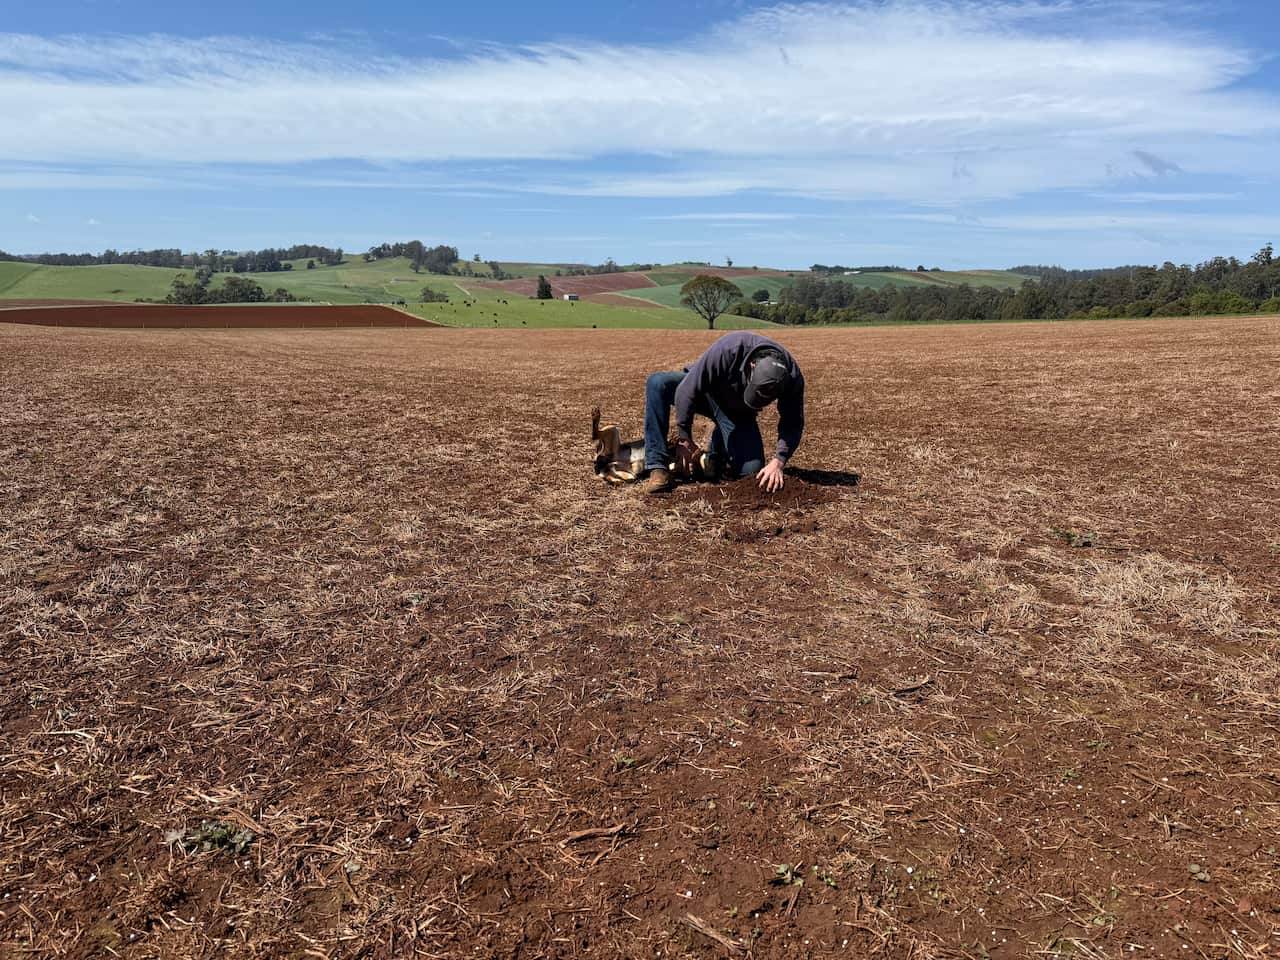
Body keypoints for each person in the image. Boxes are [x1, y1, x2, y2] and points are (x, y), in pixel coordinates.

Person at [642, 332, 804, 495]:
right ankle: (657, 465)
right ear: (752, 365)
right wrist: (685, 438)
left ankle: (714, 454)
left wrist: (779, 461)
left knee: (750, 471)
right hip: (706, 393)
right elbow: (688, 389)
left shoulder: (792, 378)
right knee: (657, 383)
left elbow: (793, 422)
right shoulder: (731, 347)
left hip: (738, 412)